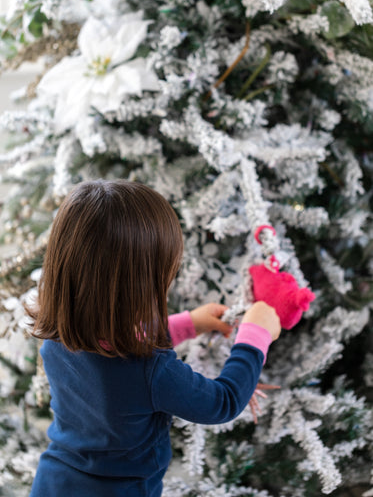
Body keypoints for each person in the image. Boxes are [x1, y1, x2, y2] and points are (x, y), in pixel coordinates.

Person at [27, 179, 281, 497]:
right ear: (138, 289)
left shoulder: (59, 339)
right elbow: (222, 402)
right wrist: (255, 336)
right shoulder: (151, 372)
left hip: (54, 483)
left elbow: (120, 340)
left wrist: (189, 324)